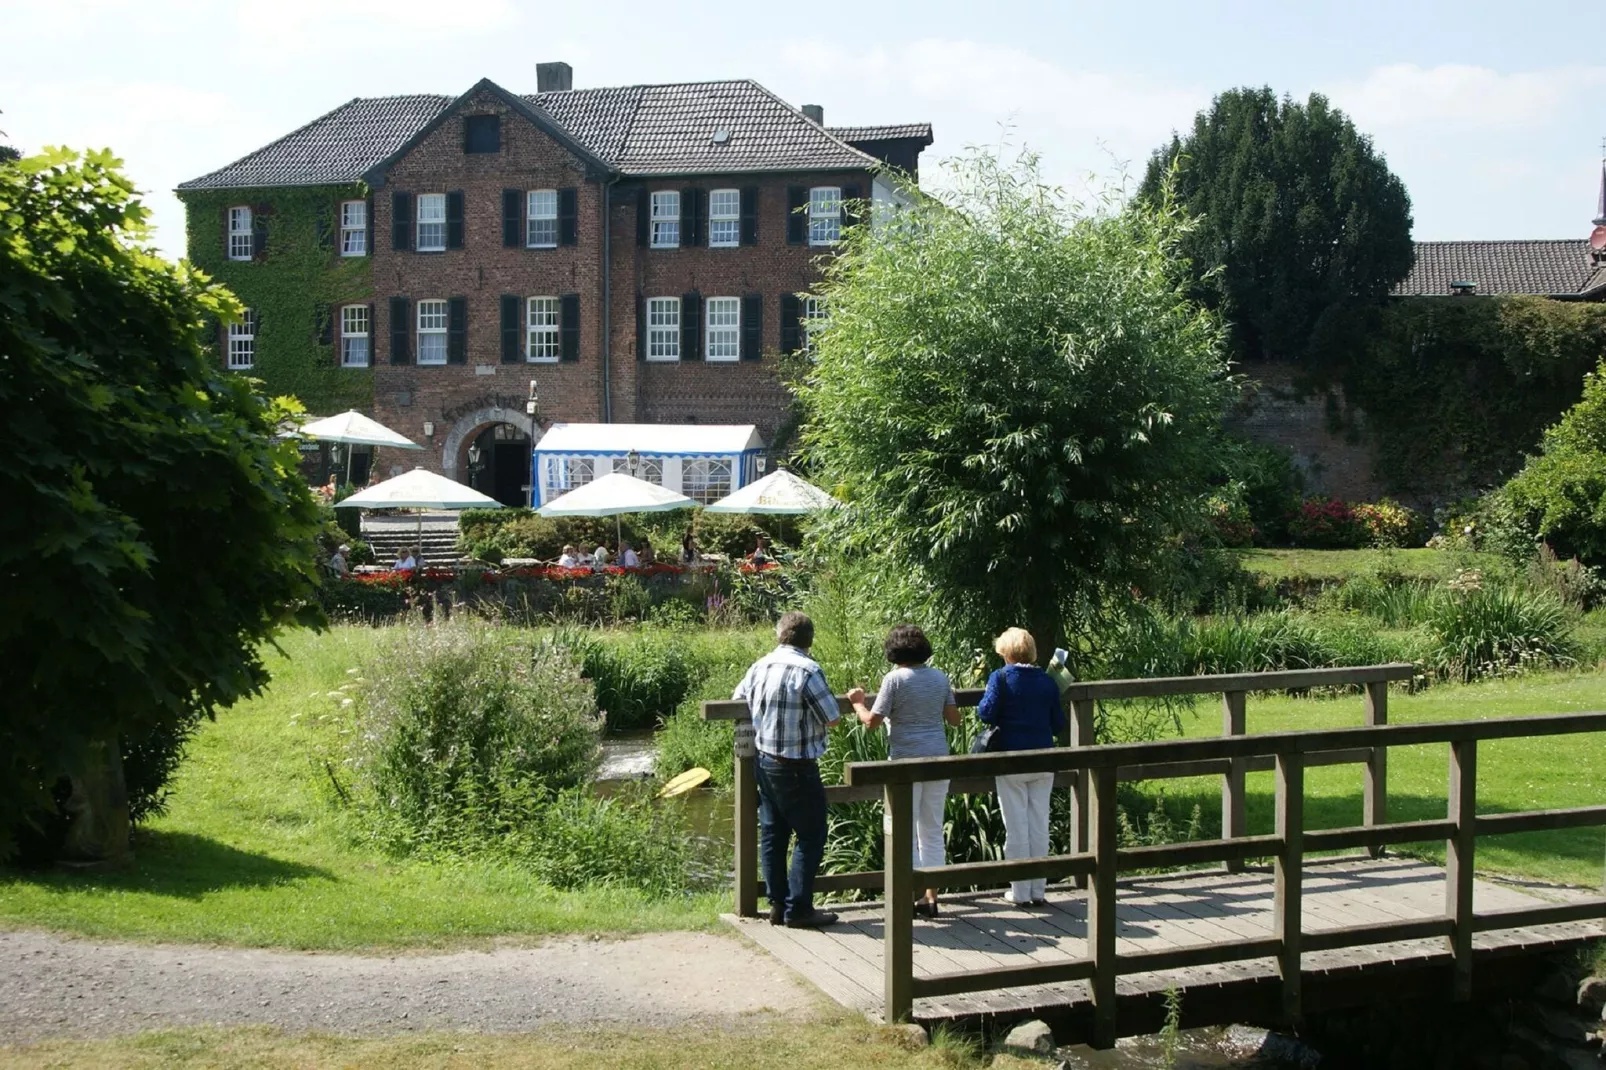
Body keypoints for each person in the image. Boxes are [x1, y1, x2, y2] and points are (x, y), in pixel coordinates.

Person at [733, 612, 843, 929]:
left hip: (764, 761)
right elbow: (832, 716)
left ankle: (777, 905)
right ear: (810, 639)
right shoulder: (808, 670)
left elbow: (737, 699)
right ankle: (799, 909)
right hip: (797, 764)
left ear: (780, 634)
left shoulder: (760, 666)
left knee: (773, 834)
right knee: (811, 834)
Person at [849, 625, 960, 918]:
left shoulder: (894, 680)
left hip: (904, 762)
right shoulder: (940, 678)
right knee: (932, 829)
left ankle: (908, 895)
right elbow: (954, 720)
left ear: (894, 652)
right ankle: (931, 896)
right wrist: (946, 696)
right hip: (938, 759)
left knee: (904, 830)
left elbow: (872, 722)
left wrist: (858, 703)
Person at [976, 626, 1066, 906]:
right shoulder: (1048, 682)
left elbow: (985, 713)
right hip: (1042, 759)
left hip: (1011, 760)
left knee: (1016, 827)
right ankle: (1038, 889)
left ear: (1006, 654)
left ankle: (1019, 891)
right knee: (1039, 824)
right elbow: (1058, 724)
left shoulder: (1000, 678)